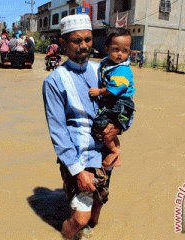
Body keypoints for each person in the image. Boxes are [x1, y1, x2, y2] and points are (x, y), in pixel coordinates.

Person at [42, 14, 121, 240]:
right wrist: (77, 171)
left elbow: (124, 103)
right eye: (77, 40)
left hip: (105, 154)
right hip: (78, 157)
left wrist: (120, 127)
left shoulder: (104, 71)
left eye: (88, 39)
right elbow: (58, 131)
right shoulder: (54, 81)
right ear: (64, 43)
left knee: (96, 212)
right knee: (80, 219)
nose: (84, 45)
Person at [89, 29, 135, 169]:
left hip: (121, 103)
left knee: (100, 124)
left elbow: (114, 89)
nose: (120, 54)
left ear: (129, 52)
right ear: (107, 49)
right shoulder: (107, 63)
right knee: (107, 128)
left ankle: (114, 151)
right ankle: (116, 156)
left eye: (124, 50)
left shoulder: (122, 69)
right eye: (116, 49)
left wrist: (98, 92)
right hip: (115, 102)